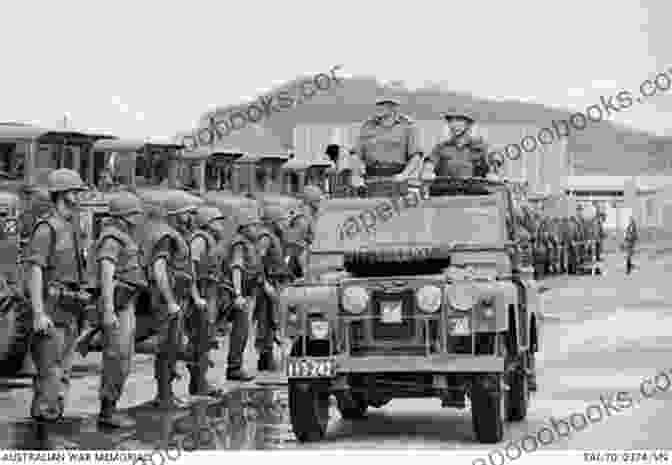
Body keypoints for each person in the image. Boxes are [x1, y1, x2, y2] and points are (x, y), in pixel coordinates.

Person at [24, 168, 90, 422]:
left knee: (63, 371)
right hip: (52, 308)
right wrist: (39, 313)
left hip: (71, 308)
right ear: (61, 194)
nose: (78, 195)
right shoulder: (47, 229)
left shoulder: (71, 226)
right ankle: (42, 429)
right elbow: (35, 270)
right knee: (49, 370)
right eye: (74, 191)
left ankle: (50, 418)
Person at [94, 191, 147, 427]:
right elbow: (106, 273)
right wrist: (108, 310)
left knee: (123, 357)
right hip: (117, 305)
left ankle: (111, 407)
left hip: (126, 304)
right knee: (116, 357)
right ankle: (107, 411)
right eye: (135, 213)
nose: (139, 218)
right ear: (125, 216)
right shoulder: (113, 239)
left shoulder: (123, 236)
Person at [144, 193, 201, 408]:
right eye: (187, 213)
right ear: (177, 214)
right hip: (168, 300)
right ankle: (164, 395)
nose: (190, 217)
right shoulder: (166, 237)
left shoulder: (175, 234)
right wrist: (169, 301)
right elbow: (159, 269)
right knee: (167, 346)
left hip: (178, 298)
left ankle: (166, 393)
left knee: (173, 344)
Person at [188, 205, 232, 395]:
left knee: (206, 338)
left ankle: (200, 382)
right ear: (207, 223)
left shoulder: (210, 240)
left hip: (211, 292)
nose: (221, 225)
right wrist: (196, 296)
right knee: (201, 338)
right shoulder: (199, 240)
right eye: (216, 221)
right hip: (203, 293)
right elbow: (190, 269)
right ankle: (199, 384)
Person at [221, 210, 263, 381]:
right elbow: (236, 268)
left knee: (244, 331)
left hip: (248, 293)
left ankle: (235, 366)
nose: (256, 229)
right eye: (253, 225)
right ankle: (234, 368)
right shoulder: (239, 244)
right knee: (240, 331)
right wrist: (238, 294)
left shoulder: (248, 243)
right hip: (240, 294)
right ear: (244, 227)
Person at [352, 97, 424, 178]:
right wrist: (359, 168)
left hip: (397, 175)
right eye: (378, 104)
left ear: (393, 107)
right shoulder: (367, 126)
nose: (378, 107)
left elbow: (416, 156)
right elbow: (355, 154)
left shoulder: (408, 126)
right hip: (370, 175)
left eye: (382, 104)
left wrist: (404, 175)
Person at [429, 110, 492, 178]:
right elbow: (430, 163)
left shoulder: (480, 148)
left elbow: (493, 161)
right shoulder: (441, 147)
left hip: (473, 187)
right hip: (446, 187)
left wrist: (492, 174)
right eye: (451, 121)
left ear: (469, 124)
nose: (454, 125)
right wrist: (428, 171)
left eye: (459, 120)